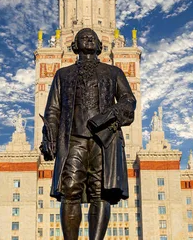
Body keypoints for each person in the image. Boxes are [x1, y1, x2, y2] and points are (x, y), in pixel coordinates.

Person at [40, 28, 136, 240]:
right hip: (73, 139)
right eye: (83, 37)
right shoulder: (63, 74)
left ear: (100, 45)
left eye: (93, 37)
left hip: (104, 140)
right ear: (74, 45)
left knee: (100, 193)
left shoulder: (113, 72)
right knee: (69, 190)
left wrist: (109, 116)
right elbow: (53, 110)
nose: (88, 39)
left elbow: (129, 101)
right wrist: (49, 137)